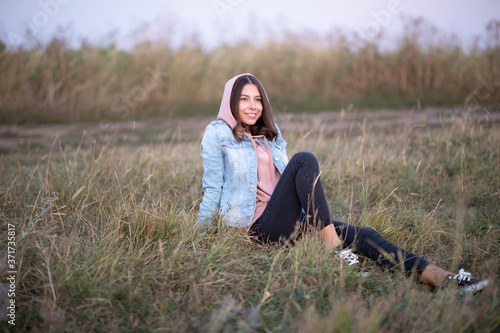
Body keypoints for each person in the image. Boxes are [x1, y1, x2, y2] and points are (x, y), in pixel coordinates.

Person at [197, 73, 490, 295]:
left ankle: (443, 278)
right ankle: (335, 250)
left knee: (363, 235)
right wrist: (199, 236)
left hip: (287, 219)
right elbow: (212, 189)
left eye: (257, 99)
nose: (253, 106)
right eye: (244, 99)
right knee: (304, 159)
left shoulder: (271, 134)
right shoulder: (217, 134)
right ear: (231, 101)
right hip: (257, 228)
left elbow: (287, 187)